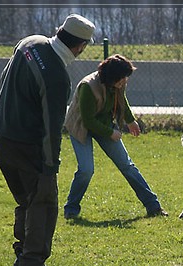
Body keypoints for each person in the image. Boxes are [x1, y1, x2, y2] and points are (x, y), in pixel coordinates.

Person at [0, 14, 95, 266]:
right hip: (28, 146)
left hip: (1, 139)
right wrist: (50, 166)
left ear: (60, 31)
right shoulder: (58, 77)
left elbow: (4, 79)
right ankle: (32, 264)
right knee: (44, 204)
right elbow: (51, 128)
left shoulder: (30, 43)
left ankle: (22, 256)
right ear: (79, 46)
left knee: (26, 201)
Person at [64, 54, 168, 219]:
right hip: (81, 126)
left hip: (104, 123)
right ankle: (71, 210)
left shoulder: (119, 82)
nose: (124, 82)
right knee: (86, 170)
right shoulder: (88, 87)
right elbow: (88, 120)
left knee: (127, 166)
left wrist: (130, 120)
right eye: (121, 80)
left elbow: (121, 99)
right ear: (111, 78)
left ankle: (153, 206)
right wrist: (110, 133)